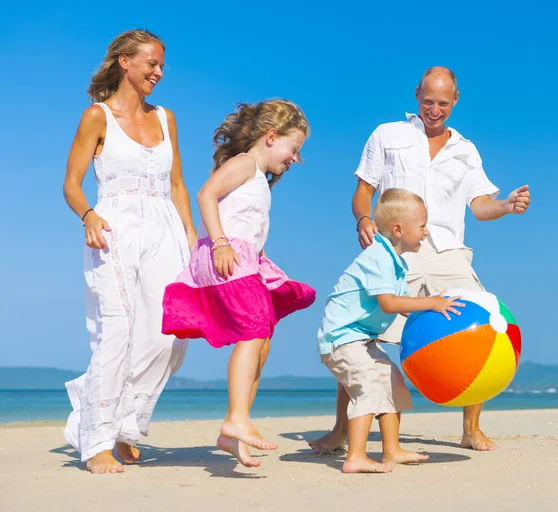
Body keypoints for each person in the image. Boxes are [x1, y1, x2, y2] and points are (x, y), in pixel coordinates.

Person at [310, 66, 531, 455]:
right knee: (364, 336)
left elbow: (479, 206)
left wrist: (507, 206)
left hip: (448, 251)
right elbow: (363, 192)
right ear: (416, 95)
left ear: (456, 100)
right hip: (398, 251)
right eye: (428, 101)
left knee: (480, 324)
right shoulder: (387, 134)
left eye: (443, 103)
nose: (434, 110)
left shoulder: (466, 149)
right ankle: (342, 429)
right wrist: (363, 219)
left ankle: (470, 428)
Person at [62, 29, 197, 474]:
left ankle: (125, 422)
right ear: (125, 62)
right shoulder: (96, 117)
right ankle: (98, 438)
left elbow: (177, 184)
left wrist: (193, 240)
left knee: (169, 332)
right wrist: (89, 217)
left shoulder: (166, 118)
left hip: (166, 228)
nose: (158, 72)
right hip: (115, 227)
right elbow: (72, 184)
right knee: (117, 330)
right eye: (151, 63)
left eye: (162, 65)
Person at [162, 99, 316, 468]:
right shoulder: (245, 164)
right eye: (293, 149)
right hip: (224, 254)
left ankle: (234, 431)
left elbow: (245, 222)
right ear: (271, 136)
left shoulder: (259, 178)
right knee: (253, 330)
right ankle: (236, 418)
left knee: (262, 339)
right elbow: (206, 194)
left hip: (244, 258)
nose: (295, 159)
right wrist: (220, 242)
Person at [318, 189, 463, 473]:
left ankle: (391, 450)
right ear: (399, 229)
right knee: (368, 386)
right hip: (343, 339)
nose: (426, 231)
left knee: (392, 380)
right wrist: (431, 302)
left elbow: (404, 306)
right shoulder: (378, 257)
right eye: (422, 226)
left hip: (362, 339)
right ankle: (355, 456)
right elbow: (388, 304)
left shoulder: (394, 261)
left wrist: (437, 312)